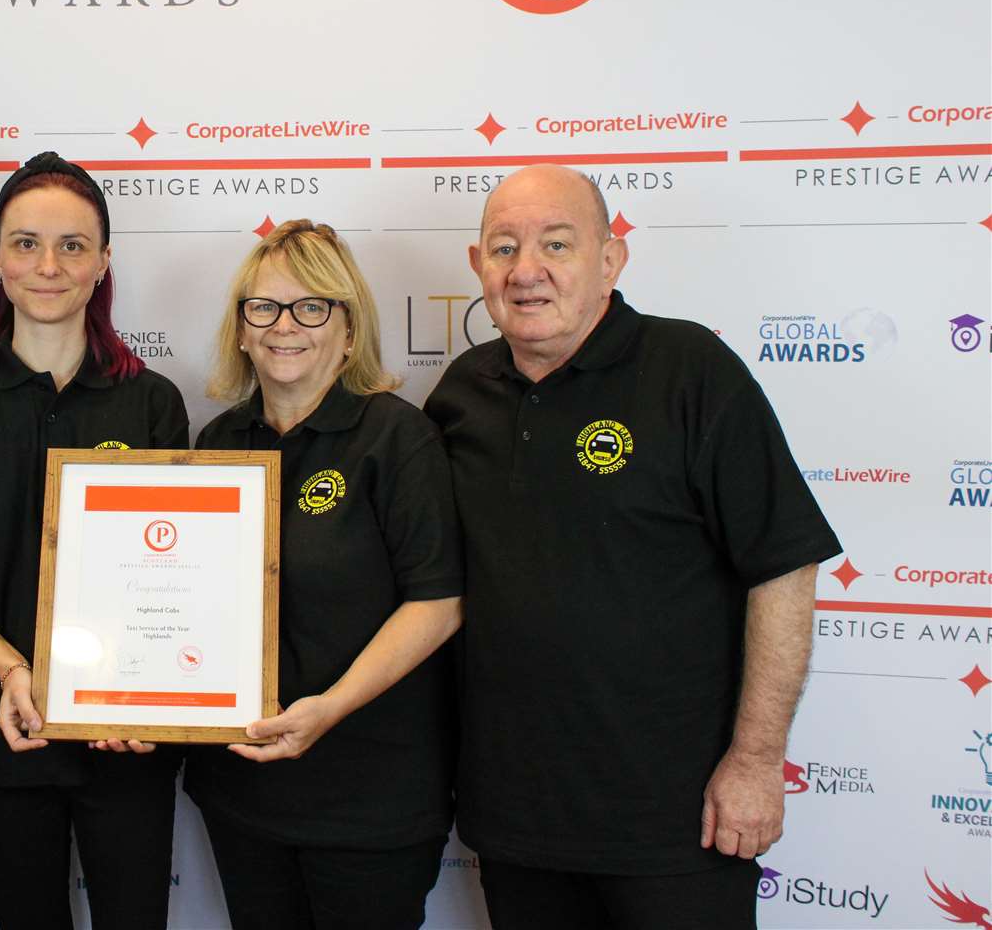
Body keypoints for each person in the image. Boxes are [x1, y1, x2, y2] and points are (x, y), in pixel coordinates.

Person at [424, 164, 842, 929]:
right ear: (478, 265)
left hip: (677, 822)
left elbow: (783, 567)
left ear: (611, 260)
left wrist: (754, 763)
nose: (527, 271)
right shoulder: (457, 394)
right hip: (517, 818)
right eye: (505, 247)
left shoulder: (692, 372)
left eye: (557, 243)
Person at [0, 152, 188, 930]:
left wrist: (144, 690)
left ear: (104, 263)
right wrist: (12, 670)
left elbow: (173, 585)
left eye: (73, 246)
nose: (49, 265)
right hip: (6, 734)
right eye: (26, 242)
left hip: (128, 736)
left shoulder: (153, 403)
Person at [185, 219, 464, 930]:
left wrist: (330, 707)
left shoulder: (397, 438)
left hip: (370, 797)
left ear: (348, 328)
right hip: (244, 792)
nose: (287, 326)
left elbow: (436, 604)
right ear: (242, 329)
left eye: (313, 307)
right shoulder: (219, 444)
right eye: (265, 307)